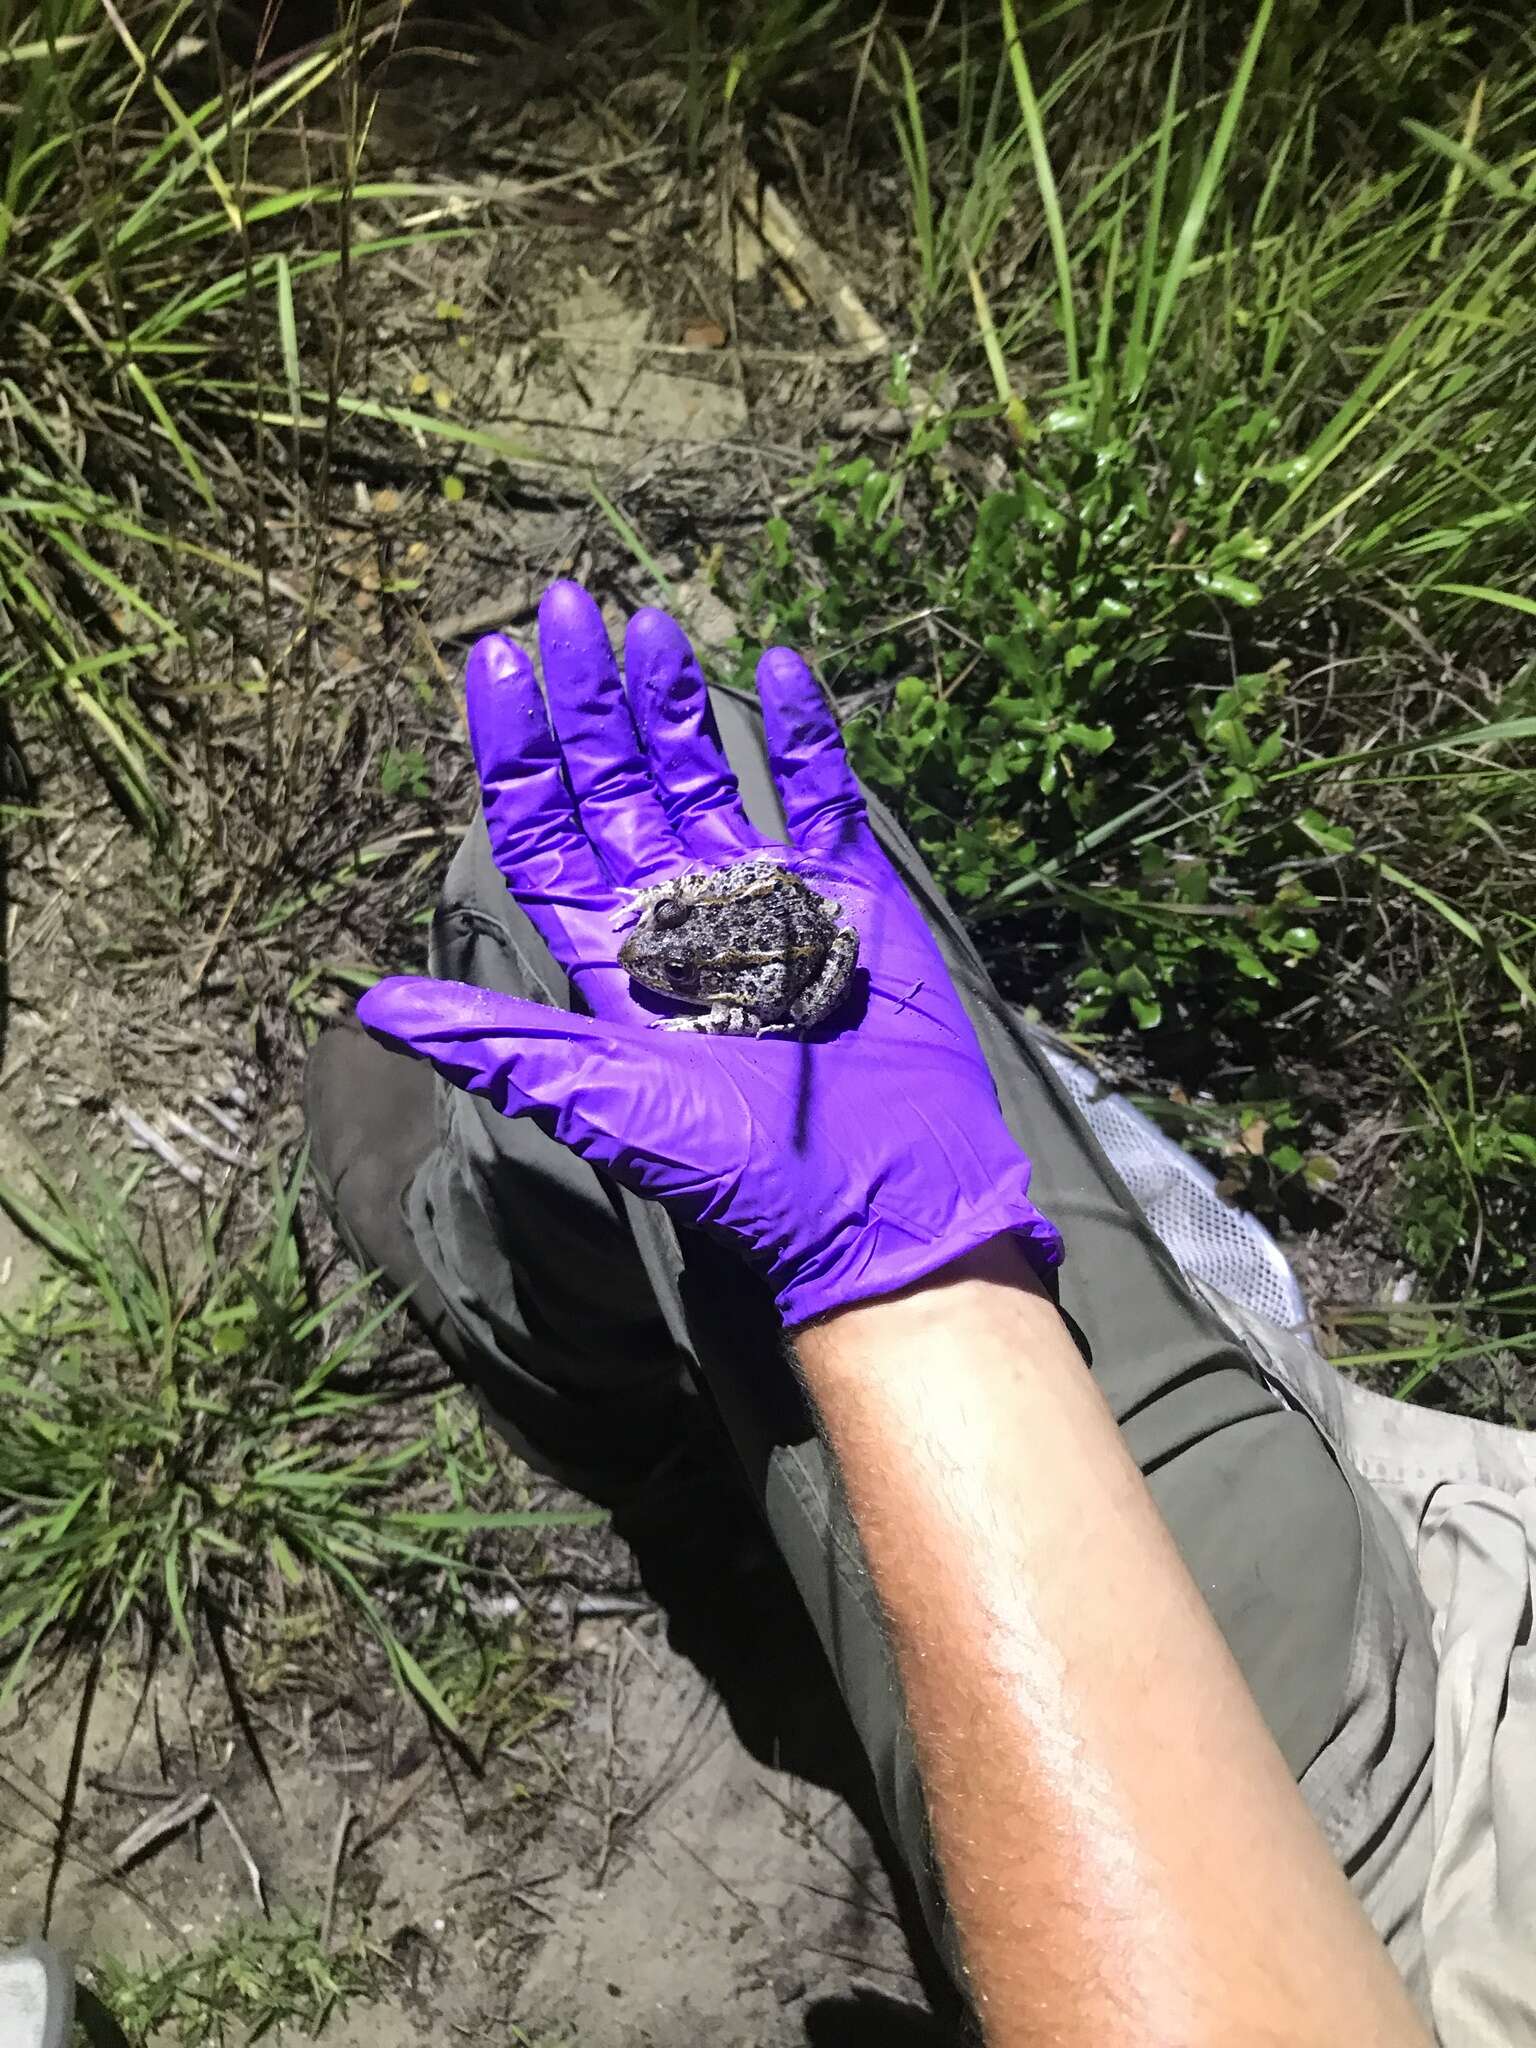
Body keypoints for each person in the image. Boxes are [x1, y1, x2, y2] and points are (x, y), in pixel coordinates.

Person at [306, 581, 1536, 2046]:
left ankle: (567, 1348)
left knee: (592, 885)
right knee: (729, 903)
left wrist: (904, 1275)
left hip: (1370, 1857)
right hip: (1472, 1623)